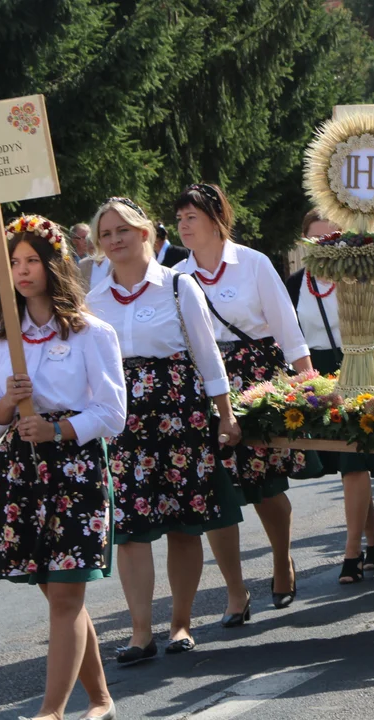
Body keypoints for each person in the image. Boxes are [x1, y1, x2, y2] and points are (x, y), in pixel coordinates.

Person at [0, 215, 123, 720]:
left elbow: (113, 413)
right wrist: (6, 407)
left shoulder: (92, 332)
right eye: (13, 262)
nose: (22, 270)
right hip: (21, 472)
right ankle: (101, 699)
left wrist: (58, 429)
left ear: (54, 263)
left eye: (32, 259)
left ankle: (51, 711)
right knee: (59, 595)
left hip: (75, 471)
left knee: (66, 592)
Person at [86, 196, 243, 662]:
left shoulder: (179, 286)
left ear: (145, 235)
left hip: (180, 417)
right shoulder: (93, 301)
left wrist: (226, 413)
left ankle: (179, 623)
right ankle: (140, 632)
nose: (115, 240)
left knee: (182, 524)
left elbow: (207, 355)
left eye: (123, 231)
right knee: (131, 531)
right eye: (106, 234)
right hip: (121, 424)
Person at [172, 183, 308, 609]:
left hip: (257, 380)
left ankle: (282, 559)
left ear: (215, 220)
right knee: (217, 491)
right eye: (178, 219)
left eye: (190, 217)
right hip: (204, 386)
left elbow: (286, 326)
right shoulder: (176, 276)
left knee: (266, 486)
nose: (182, 226)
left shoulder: (253, 262)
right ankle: (235, 590)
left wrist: (308, 382)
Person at [285, 208, 374, 584]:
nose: (328, 246)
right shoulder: (296, 284)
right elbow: (288, 334)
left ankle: (352, 551)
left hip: (358, 368)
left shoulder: (360, 275)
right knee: (347, 464)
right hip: (318, 374)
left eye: (335, 238)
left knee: (354, 465)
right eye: (319, 240)